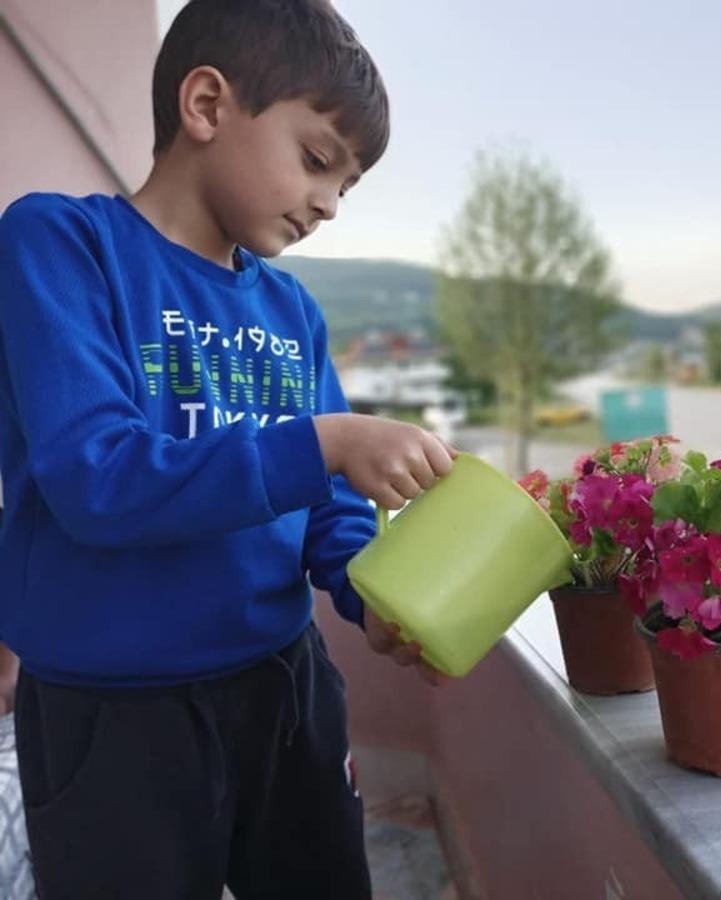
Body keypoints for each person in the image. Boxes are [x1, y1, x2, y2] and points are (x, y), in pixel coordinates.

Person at [0, 1, 452, 896]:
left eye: (348, 186)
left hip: (287, 689)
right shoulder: (59, 243)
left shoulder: (292, 312)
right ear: (206, 104)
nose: (328, 203)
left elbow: (330, 511)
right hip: (113, 716)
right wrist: (325, 440)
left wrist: (373, 597)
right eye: (318, 159)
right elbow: (100, 480)